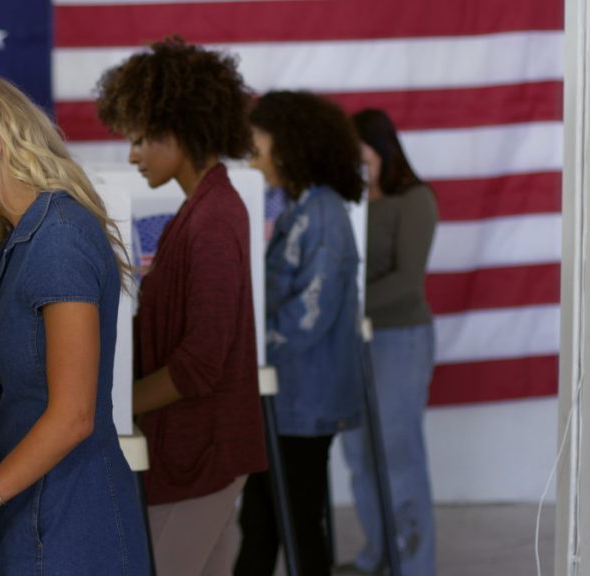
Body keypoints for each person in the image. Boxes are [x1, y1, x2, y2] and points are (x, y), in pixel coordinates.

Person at [0, 69, 150, 575]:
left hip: (76, 527)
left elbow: (73, 416)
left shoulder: (59, 238)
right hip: (30, 519)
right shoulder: (18, 242)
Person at [95, 37, 267, 575]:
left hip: (204, 450)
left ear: (181, 130)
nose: (132, 154)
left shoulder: (212, 220)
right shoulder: (201, 210)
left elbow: (200, 362)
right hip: (199, 447)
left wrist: (114, 409)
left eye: (142, 138)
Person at [233, 91, 366, 575]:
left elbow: (310, 315)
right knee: (266, 519)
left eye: (257, 146)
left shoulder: (323, 214)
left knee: (294, 522)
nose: (252, 157)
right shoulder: (299, 208)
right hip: (287, 397)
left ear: (288, 146)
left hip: (303, 400)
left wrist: (244, 347)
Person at [337, 108, 439, 576]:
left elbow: (408, 280)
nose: (356, 164)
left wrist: (344, 307)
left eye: (361, 154)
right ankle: (379, 555)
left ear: (382, 149)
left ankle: (414, 565)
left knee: (399, 454)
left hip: (399, 338)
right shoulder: (344, 202)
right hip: (351, 343)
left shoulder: (414, 199)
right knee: (359, 456)